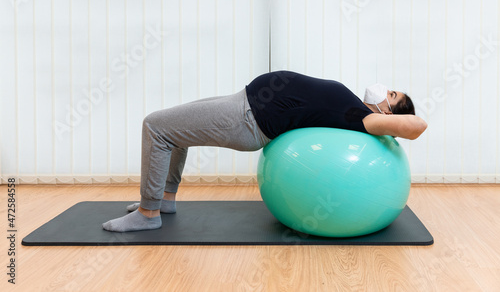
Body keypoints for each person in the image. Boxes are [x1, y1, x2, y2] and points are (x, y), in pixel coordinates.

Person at [102, 70, 427, 232]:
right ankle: (164, 201)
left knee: (155, 127)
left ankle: (148, 214)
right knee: (173, 131)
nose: (384, 88)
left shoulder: (368, 119)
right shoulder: (358, 107)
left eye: (392, 93)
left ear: (387, 113)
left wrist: (391, 119)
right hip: (242, 101)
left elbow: (416, 127)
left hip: (247, 119)